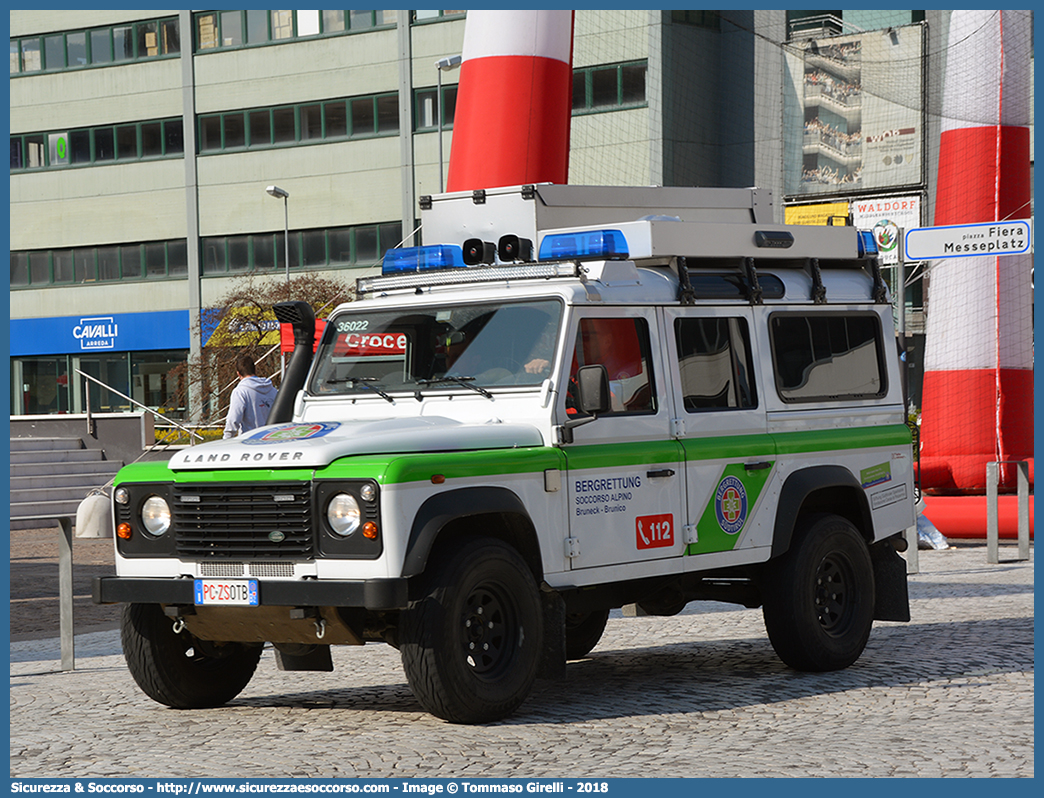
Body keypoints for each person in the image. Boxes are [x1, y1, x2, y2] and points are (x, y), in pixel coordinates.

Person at [223, 353, 278, 438]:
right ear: (254, 370)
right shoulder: (273, 390)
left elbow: (233, 419)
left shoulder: (240, 392)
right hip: (272, 440)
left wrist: (226, 439)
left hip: (250, 442)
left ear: (238, 374)